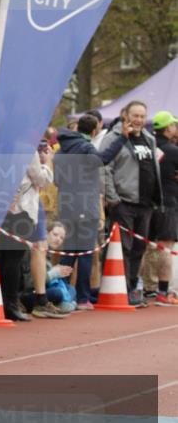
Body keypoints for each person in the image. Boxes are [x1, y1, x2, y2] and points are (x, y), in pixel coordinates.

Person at [53, 113, 130, 309]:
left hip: (66, 204)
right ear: (95, 130)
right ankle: (82, 298)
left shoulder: (61, 150)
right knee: (86, 252)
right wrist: (122, 138)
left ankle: (62, 293)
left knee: (68, 252)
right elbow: (103, 159)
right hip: (85, 205)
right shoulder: (86, 148)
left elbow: (57, 181)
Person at [101, 100, 163, 306]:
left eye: (142, 116)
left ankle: (133, 286)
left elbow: (152, 167)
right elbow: (104, 168)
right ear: (126, 115)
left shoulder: (149, 139)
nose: (138, 120)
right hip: (123, 202)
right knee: (123, 247)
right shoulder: (114, 137)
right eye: (135, 115)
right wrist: (113, 198)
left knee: (139, 248)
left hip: (145, 204)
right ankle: (121, 288)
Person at [0, 144, 55, 321]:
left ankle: (3, 301)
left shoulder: (0, 143)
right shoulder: (26, 147)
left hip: (1, 206)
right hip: (21, 209)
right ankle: (11, 304)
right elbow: (41, 179)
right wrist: (47, 162)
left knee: (5, 258)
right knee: (13, 259)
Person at [149, 111, 178, 306]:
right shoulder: (173, 150)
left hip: (147, 202)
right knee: (166, 247)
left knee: (148, 245)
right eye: (173, 125)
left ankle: (144, 287)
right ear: (167, 128)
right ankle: (163, 291)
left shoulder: (147, 146)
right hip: (168, 202)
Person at [20, 221, 76, 315]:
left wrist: (55, 272)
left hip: (41, 292)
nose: (58, 239)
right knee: (57, 293)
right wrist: (53, 273)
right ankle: (64, 304)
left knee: (71, 288)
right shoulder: (34, 251)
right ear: (45, 233)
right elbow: (29, 283)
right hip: (27, 294)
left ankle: (63, 304)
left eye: (61, 238)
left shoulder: (48, 253)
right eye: (55, 235)